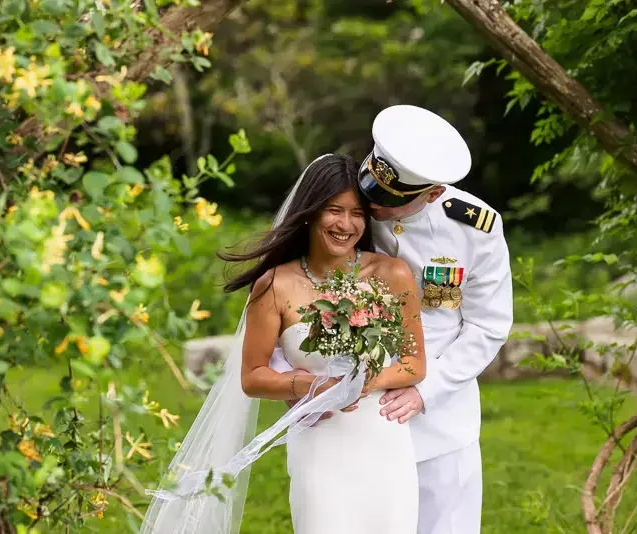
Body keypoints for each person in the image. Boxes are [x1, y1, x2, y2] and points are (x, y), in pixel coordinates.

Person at [141, 154, 427, 534]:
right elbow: (252, 376)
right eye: (333, 211)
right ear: (309, 212)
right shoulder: (275, 286)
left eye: (357, 213)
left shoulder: (392, 274)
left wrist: (360, 383)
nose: (346, 225)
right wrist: (309, 386)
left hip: (383, 437)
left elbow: (414, 364)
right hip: (318, 439)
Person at [273, 104, 513, 534]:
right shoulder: (342, 208)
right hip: (344, 422)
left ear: (434, 192)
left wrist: (426, 389)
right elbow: (289, 294)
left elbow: (488, 324)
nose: (374, 210)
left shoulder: (475, 228)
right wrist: (292, 381)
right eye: (373, 192)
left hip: (440, 424)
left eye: (391, 202)